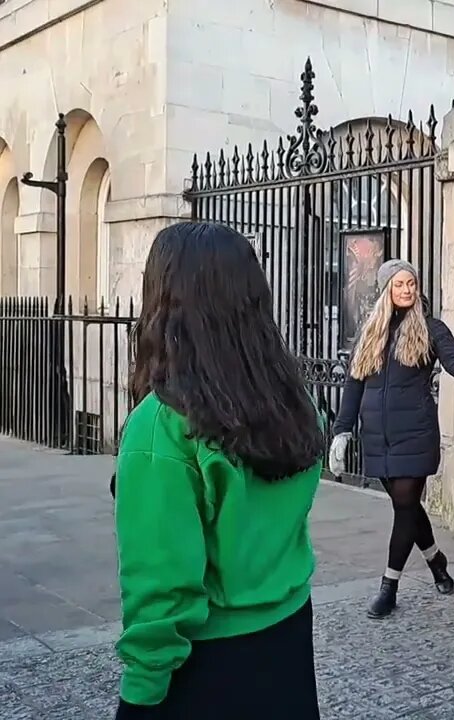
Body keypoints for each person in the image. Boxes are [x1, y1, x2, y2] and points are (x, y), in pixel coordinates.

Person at [113, 222, 327, 719]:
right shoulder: (296, 402)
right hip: (289, 638)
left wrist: (139, 698)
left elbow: (161, 595)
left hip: (210, 666)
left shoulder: (162, 427)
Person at [329, 259, 454, 619]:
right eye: (399, 284)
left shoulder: (431, 328)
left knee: (403, 507)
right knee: (409, 509)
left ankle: (389, 586)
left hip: (415, 434)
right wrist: (341, 431)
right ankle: (436, 561)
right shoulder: (370, 332)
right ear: (387, 289)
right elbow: (354, 383)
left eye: (411, 284)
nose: (406, 290)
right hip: (377, 437)